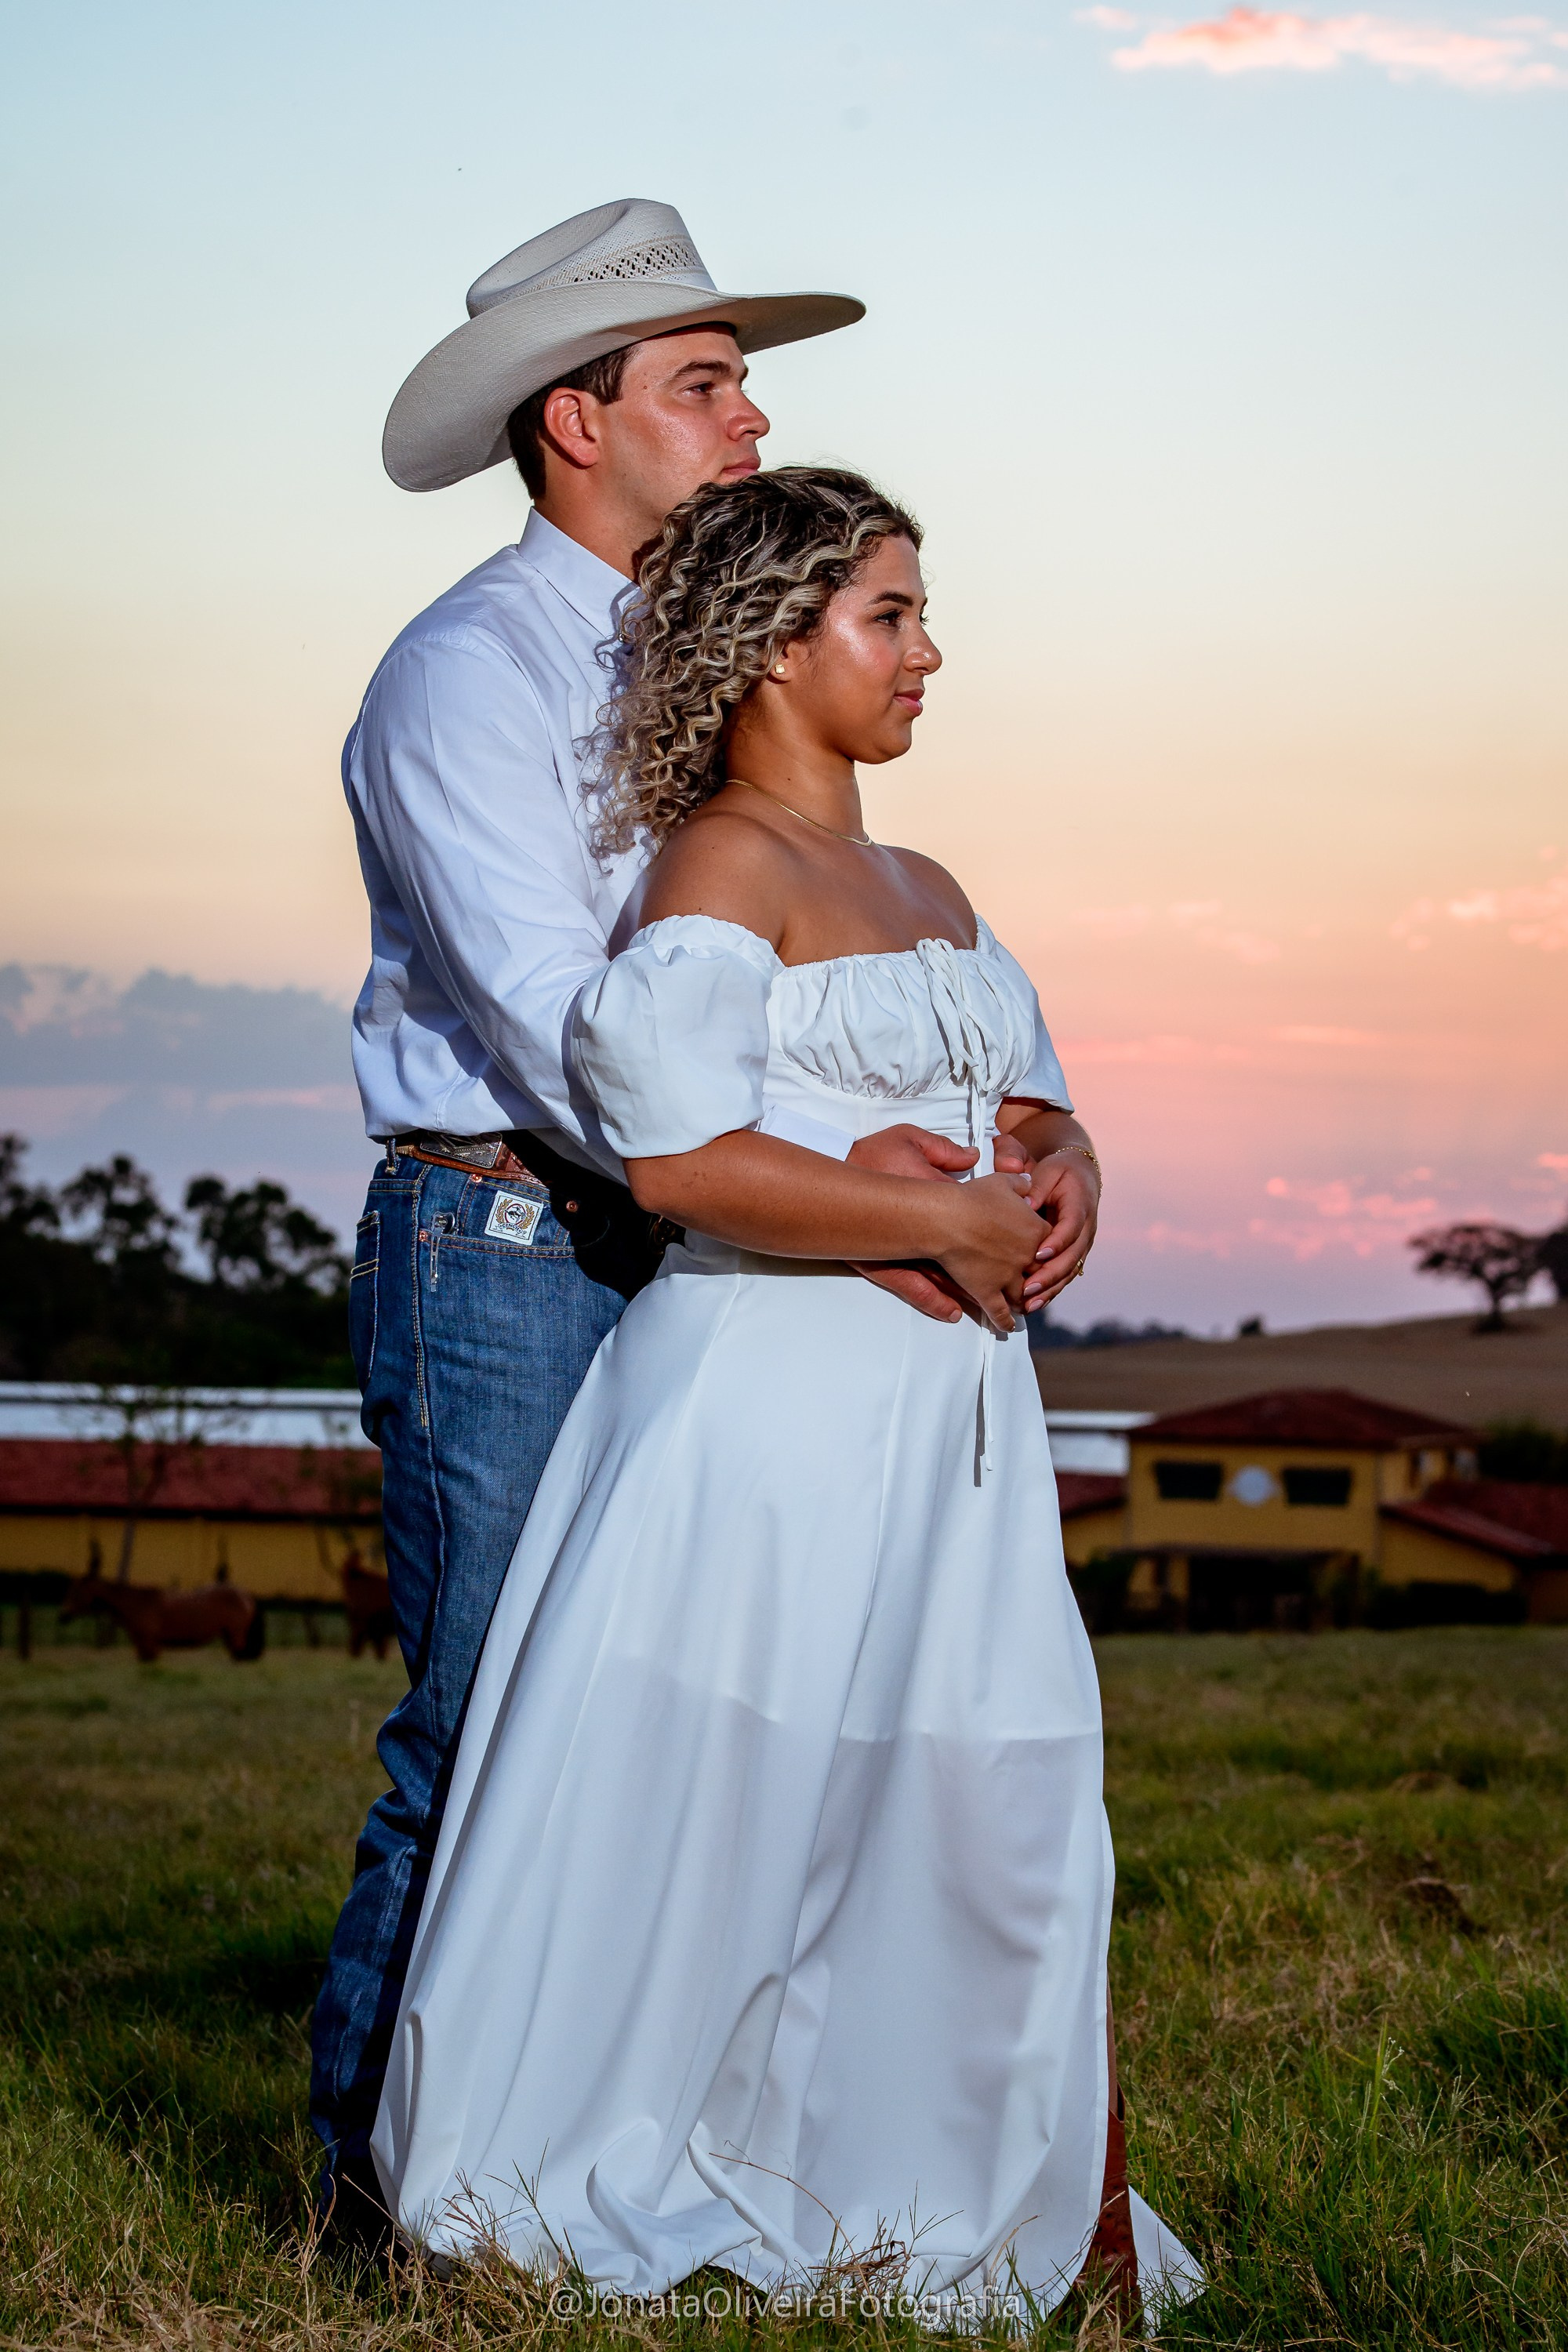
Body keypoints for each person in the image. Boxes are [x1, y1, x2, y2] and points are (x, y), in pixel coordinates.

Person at [315, 201, 1098, 2245]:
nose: (751, 417)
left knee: (712, 1743)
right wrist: (864, 1199)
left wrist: (1013, 1136)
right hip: (511, 1243)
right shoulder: (467, 681)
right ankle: (385, 2205)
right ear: (576, 423)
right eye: (705, 383)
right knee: (501, 1728)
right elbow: (576, 1045)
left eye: (746, 382)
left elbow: (863, 995)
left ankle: (719, 2128)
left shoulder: (737, 694)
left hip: (724, 1261)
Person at [370, 469, 1203, 2323]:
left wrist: (1058, 1169)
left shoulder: (930, 881)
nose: (928, 652)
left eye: (919, 613)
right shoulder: (721, 863)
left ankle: (946, 2182)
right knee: (720, 1810)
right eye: (889, 616)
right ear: (769, 646)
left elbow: (1031, 1090)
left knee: (979, 1805)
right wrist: (918, 1206)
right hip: (769, 1417)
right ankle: (573, 2179)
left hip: (947, 1433)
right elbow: (675, 1162)